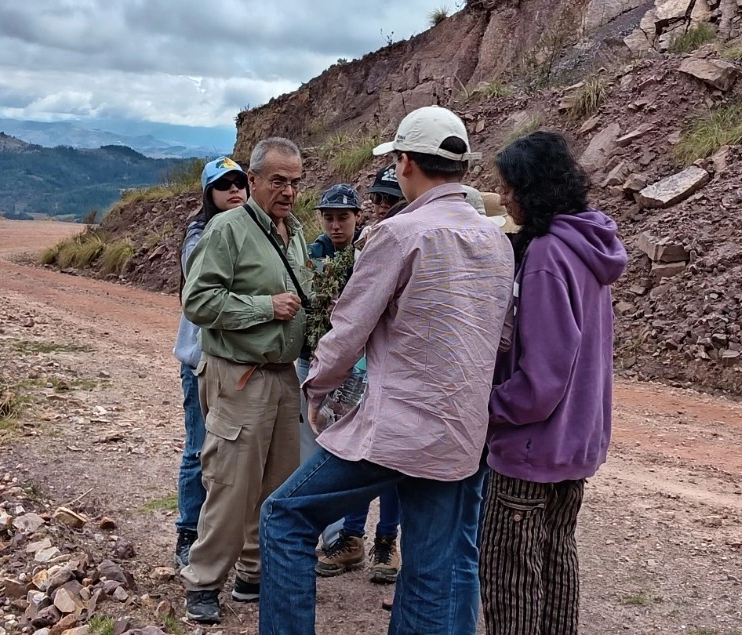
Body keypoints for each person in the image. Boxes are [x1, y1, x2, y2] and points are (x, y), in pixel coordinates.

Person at [258, 105, 514, 635]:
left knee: (285, 517)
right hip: (459, 434)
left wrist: (318, 389)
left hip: (396, 427)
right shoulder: (496, 241)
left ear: (404, 163)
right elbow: (502, 332)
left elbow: (349, 326)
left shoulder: (398, 234)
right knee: (429, 569)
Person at [480, 131, 624, 634]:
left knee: (510, 577)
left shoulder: (545, 258)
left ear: (530, 189)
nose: (502, 198)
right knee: (558, 560)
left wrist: (486, 406)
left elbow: (540, 381)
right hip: (574, 444)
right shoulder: (589, 246)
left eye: (508, 187)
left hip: (529, 449)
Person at [178, 138, 311, 625]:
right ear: (253, 180)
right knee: (232, 483)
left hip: (281, 377)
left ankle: (253, 573)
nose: (289, 191)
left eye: (295, 182)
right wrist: (264, 307)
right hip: (239, 375)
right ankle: (204, 581)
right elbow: (198, 302)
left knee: (277, 485)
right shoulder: (227, 230)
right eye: (278, 181)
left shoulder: (293, 232)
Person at [301, 184, 402, 583]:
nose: (335, 224)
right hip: (348, 368)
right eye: (378, 200)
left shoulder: (386, 247)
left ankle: (386, 543)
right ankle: (351, 536)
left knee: (390, 461)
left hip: (382, 371)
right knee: (354, 456)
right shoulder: (319, 253)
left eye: (343, 216)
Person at [170, 157, 249, 570]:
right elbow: (206, 286)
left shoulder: (256, 231)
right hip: (201, 359)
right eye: (224, 185)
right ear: (209, 195)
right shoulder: (199, 235)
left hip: (238, 362)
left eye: (239, 182)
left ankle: (220, 536)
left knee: (230, 453)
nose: (234, 190)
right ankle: (188, 531)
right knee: (199, 448)